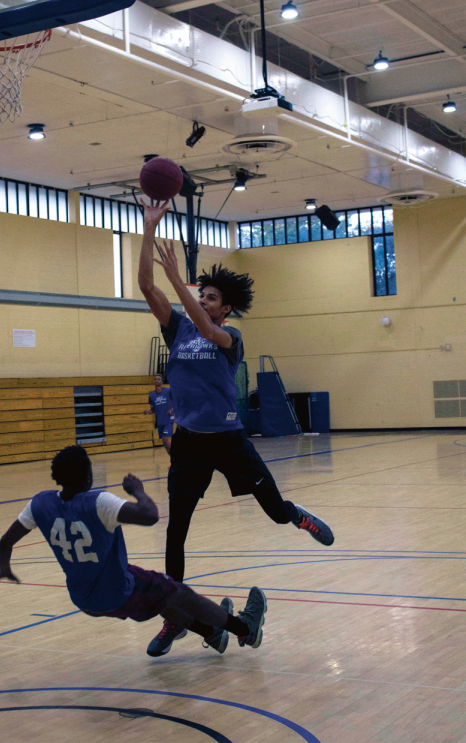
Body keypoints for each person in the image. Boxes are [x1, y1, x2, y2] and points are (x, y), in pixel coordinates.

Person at [138, 199, 335, 657]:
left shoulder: (230, 339)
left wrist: (177, 279)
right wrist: (149, 231)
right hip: (189, 443)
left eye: (209, 296)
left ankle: (297, 515)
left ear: (225, 308)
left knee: (273, 510)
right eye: (199, 293)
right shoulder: (176, 331)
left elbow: (208, 331)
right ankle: (175, 618)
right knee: (175, 532)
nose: (201, 299)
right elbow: (146, 286)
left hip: (229, 441)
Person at [0, 445, 267, 656]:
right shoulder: (98, 502)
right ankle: (245, 629)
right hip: (118, 591)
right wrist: (138, 491)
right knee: (181, 593)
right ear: (89, 475)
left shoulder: (39, 504)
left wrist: (5, 569)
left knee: (161, 594)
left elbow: (3, 544)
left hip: (83, 599)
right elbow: (150, 515)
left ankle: (212, 634)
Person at [144, 373, 175, 454]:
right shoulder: (151, 395)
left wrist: (171, 410)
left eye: (159, 379)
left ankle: (176, 458)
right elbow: (152, 409)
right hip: (160, 421)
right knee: (164, 442)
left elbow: (176, 402)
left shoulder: (168, 391)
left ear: (162, 382)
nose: (157, 380)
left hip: (168, 419)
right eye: (155, 379)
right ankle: (173, 459)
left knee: (165, 439)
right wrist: (148, 412)